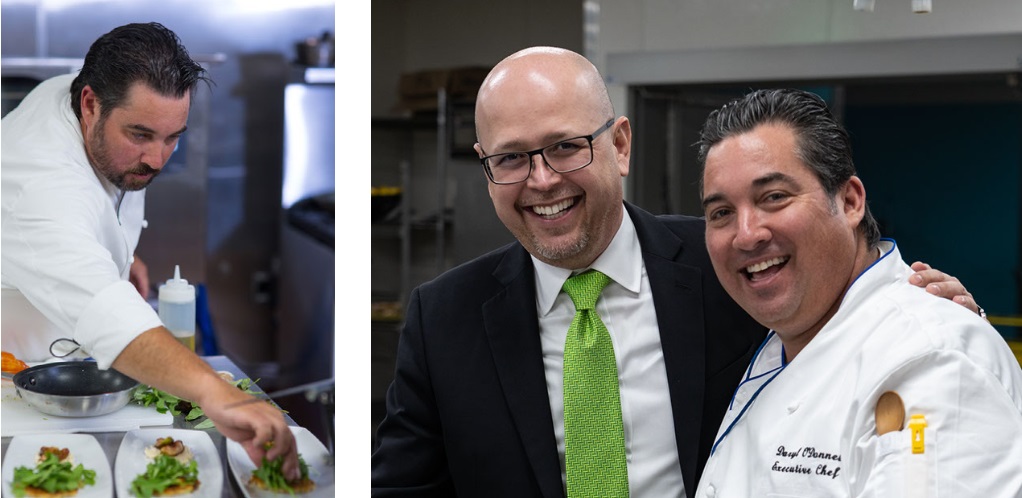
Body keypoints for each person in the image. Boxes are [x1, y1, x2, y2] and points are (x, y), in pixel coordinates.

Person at [370, 47, 983, 497]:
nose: (541, 180)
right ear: (485, 167)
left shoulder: (734, 266)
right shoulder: (442, 317)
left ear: (620, 145)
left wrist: (936, 313)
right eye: (510, 158)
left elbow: (851, 319)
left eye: (564, 146)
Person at [1, 22, 299, 479]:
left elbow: (86, 211)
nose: (158, 159)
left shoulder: (79, 97)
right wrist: (214, 392)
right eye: (140, 135)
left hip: (65, 356)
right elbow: (103, 305)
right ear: (90, 105)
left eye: (172, 137)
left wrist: (115, 253)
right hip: (18, 372)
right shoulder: (39, 183)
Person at [694, 88, 1022, 497]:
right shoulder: (789, 333)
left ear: (849, 201)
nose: (746, 235)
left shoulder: (931, 361)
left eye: (774, 197)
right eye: (721, 213)